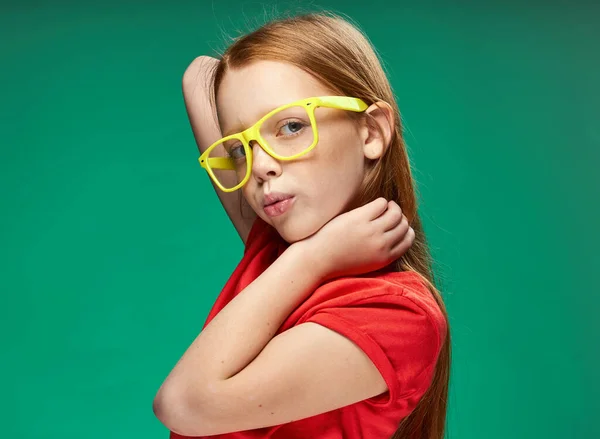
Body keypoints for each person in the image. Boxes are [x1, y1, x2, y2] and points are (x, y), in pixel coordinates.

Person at [153, 11, 451, 439]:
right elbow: (199, 74)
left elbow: (182, 404)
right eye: (240, 148)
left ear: (371, 131)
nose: (260, 167)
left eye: (291, 126)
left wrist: (313, 258)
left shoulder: (397, 314)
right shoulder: (278, 242)